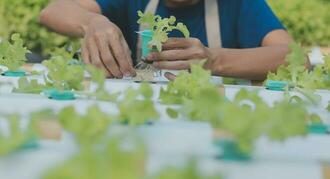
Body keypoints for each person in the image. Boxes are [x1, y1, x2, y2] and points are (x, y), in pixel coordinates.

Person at [40, 0, 293, 80]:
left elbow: (295, 58)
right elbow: (53, 10)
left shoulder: (239, 4)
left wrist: (216, 59)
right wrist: (93, 22)